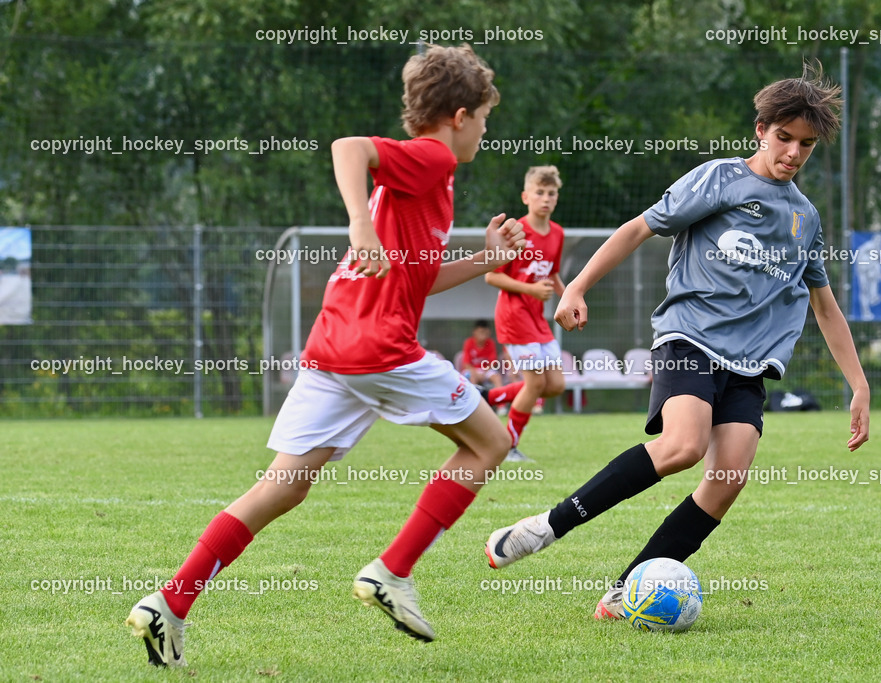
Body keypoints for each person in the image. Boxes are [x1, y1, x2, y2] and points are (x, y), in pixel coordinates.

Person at [125, 43, 525, 666]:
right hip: (381, 351)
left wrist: (484, 260)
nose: (483, 131)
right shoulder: (428, 157)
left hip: (335, 344)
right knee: (490, 443)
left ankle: (169, 603)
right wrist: (359, 226)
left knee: (281, 488)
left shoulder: (430, 179)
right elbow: (348, 148)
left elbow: (414, 276)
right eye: (484, 119)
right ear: (459, 114)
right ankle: (393, 571)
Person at [483, 62, 870, 619]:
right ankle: (543, 528)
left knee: (727, 480)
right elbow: (639, 227)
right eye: (783, 137)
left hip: (749, 365)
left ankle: (623, 592)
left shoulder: (803, 218)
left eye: (805, 144)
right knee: (682, 447)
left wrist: (858, 385)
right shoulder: (719, 178)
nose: (792, 152)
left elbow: (825, 306)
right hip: (689, 339)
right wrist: (578, 288)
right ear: (760, 129)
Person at [481, 165, 567, 461]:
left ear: (557, 198)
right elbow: (491, 276)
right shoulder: (515, 231)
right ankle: (508, 448)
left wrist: (571, 298)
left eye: (551, 193)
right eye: (539, 192)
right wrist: (530, 290)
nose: (545, 198)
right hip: (514, 317)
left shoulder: (557, 233)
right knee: (535, 384)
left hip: (537, 320)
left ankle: (489, 397)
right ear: (525, 197)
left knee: (555, 385)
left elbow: (552, 274)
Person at [459, 319, 504, 390]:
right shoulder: (468, 342)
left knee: (497, 377)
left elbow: (493, 362)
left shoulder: (491, 343)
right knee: (473, 379)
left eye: (485, 332)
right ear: (474, 332)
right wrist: (476, 373)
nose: (483, 335)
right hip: (472, 370)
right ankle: (475, 400)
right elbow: (466, 364)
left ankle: (501, 399)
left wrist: (484, 373)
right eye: (481, 332)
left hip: (486, 371)